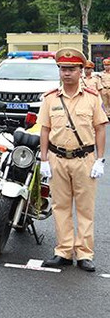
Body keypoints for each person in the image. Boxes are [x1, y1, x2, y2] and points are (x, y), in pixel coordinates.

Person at [38, 47, 107, 271]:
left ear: (80, 71)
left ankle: (85, 253)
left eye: (71, 69)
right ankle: (64, 251)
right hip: (57, 158)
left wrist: (100, 159)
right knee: (60, 206)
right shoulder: (50, 98)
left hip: (84, 158)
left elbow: (100, 129)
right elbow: (45, 129)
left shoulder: (92, 98)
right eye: (63, 69)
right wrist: (44, 159)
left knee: (85, 209)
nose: (66, 73)